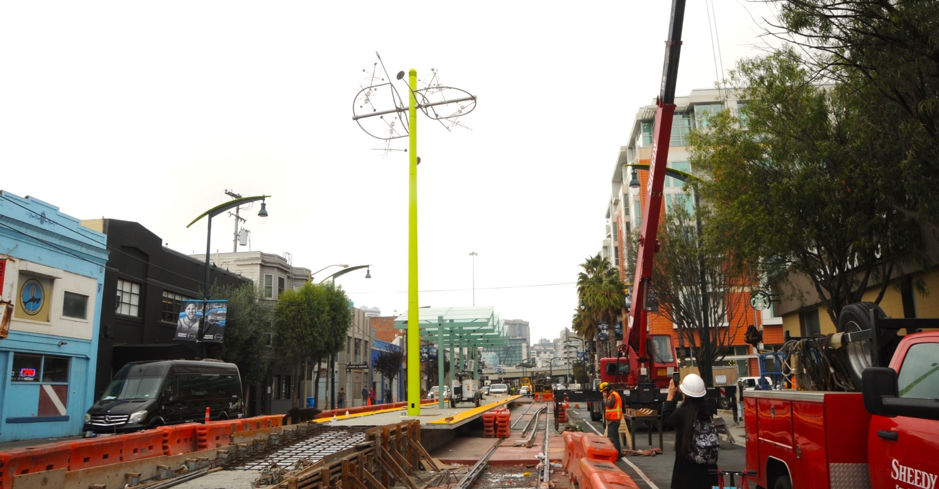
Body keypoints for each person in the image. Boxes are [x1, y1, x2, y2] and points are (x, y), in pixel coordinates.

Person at [662, 374, 719, 489]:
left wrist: (670, 396)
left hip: (687, 471)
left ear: (685, 395)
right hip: (708, 469)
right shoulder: (707, 410)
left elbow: (665, 420)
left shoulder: (683, 413)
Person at [600, 382, 623, 455]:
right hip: (612, 419)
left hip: (614, 420)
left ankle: (617, 455)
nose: (603, 393)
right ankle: (615, 454)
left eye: (604, 391)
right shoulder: (612, 395)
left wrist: (605, 398)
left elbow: (609, 404)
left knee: (614, 439)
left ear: (607, 390)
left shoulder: (613, 395)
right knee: (611, 438)